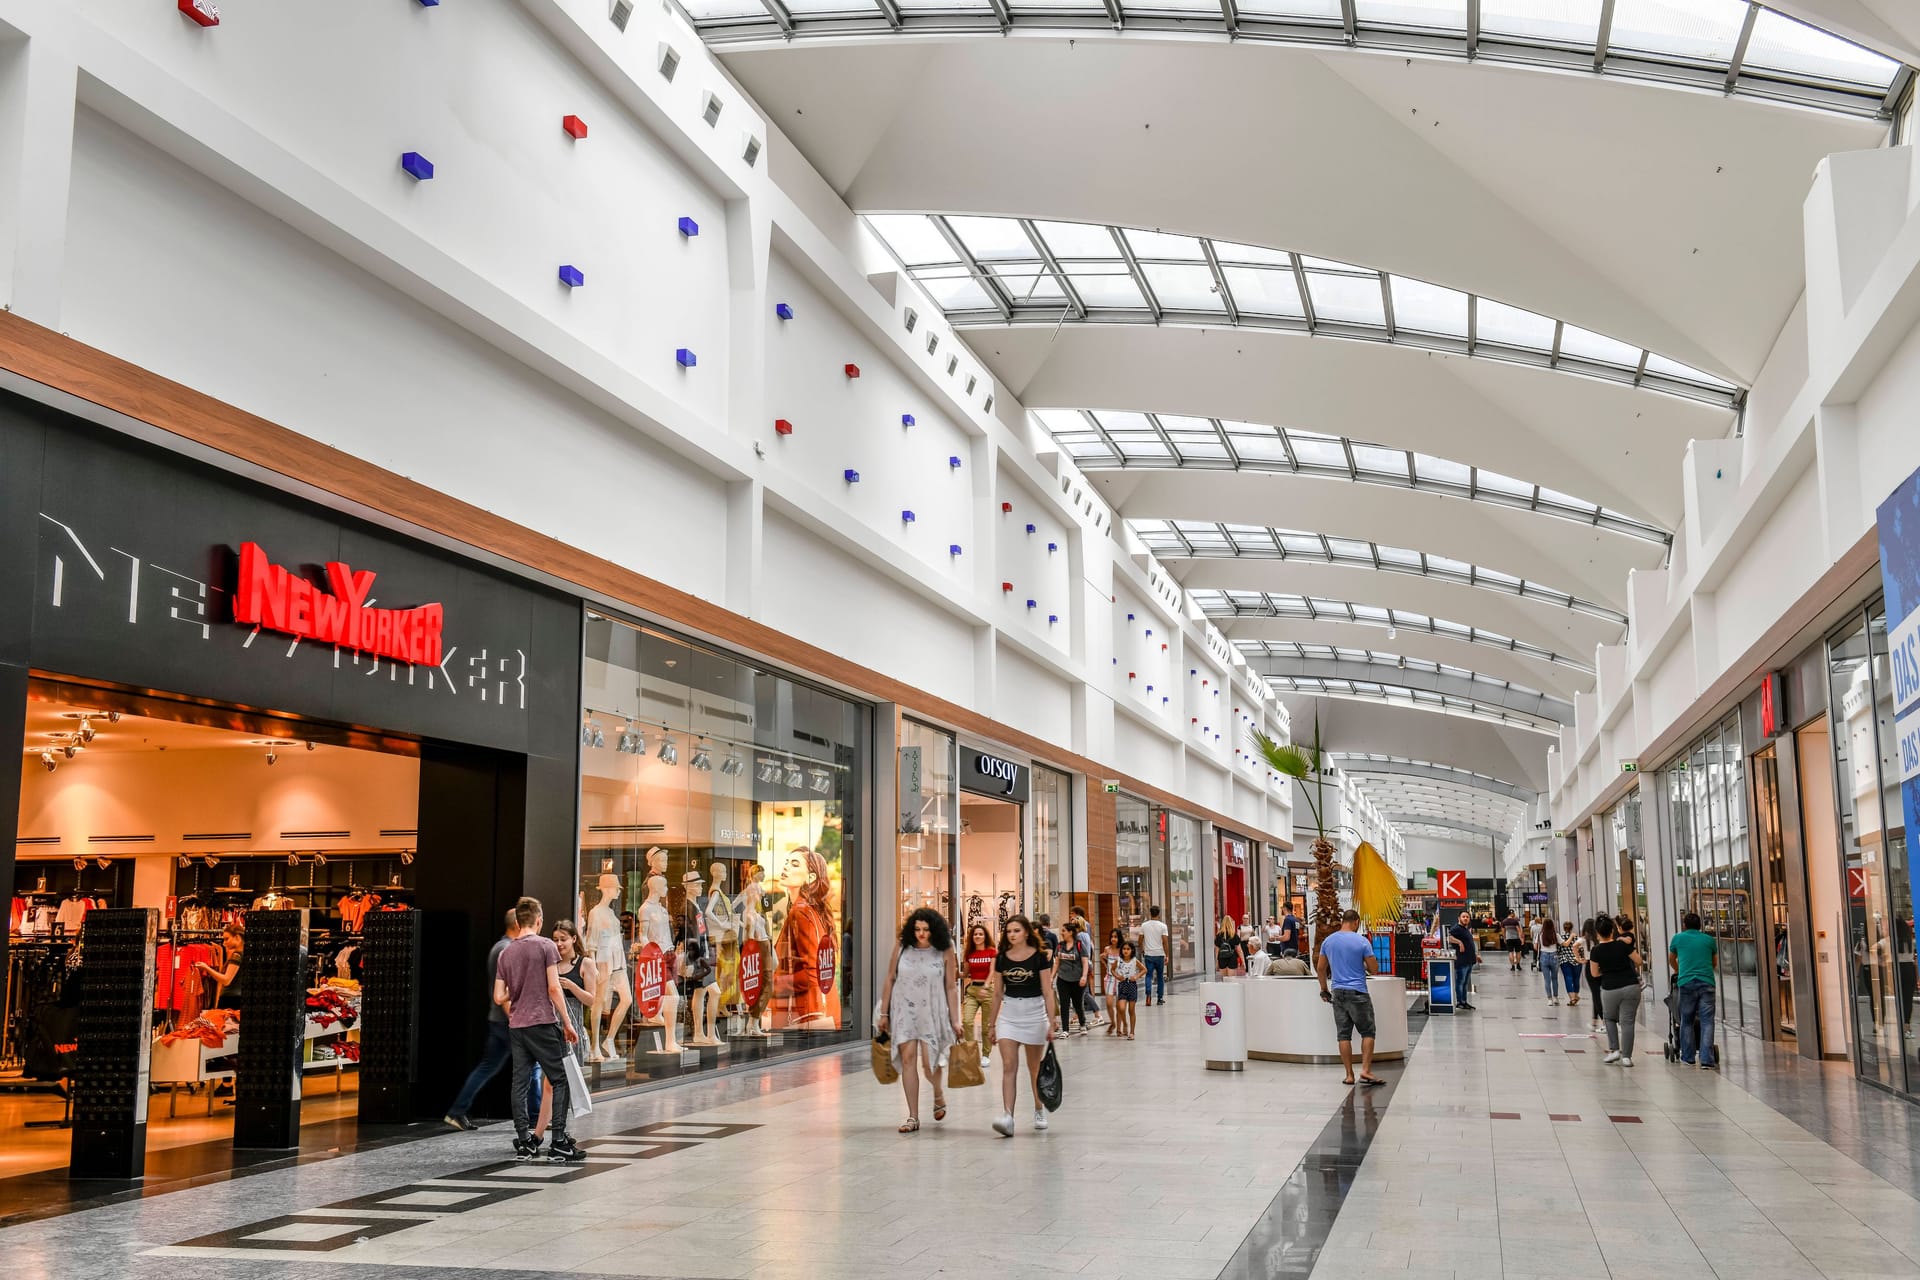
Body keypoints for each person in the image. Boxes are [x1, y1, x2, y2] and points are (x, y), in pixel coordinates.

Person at [494, 896, 582, 1161]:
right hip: (542, 1022)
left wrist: (516, 988)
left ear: (519, 921)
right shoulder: (546, 946)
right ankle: (558, 1143)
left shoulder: (505, 952)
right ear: (539, 920)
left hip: (517, 1025)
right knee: (560, 1079)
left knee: (518, 1084)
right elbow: (554, 988)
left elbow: (499, 997)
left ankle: (524, 1142)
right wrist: (567, 1023)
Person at [445, 907, 541, 1131]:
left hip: (500, 1021)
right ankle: (536, 1117)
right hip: (507, 1021)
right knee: (531, 1068)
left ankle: (457, 1111)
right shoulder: (506, 950)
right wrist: (516, 1019)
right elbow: (506, 991)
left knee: (490, 1067)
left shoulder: (503, 947)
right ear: (518, 925)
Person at [877, 907, 961, 1133]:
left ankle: (938, 1093)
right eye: (917, 929)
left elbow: (951, 987)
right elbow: (890, 977)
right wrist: (884, 1012)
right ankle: (913, 1116)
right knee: (908, 1060)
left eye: (926, 929)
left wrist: (955, 1020)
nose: (921, 934)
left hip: (932, 1012)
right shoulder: (902, 946)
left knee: (929, 1062)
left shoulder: (945, 949)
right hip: (904, 1009)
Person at [988, 915, 1057, 1137]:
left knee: (1034, 1067)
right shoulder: (1001, 959)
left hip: (1034, 1013)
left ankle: (1039, 1109)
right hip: (1009, 1015)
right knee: (1009, 1066)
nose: (1012, 935)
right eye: (1009, 931)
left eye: (1016, 931)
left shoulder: (1039, 958)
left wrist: (1052, 1020)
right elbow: (997, 993)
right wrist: (991, 1025)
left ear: (1026, 932)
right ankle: (1008, 1115)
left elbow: (1047, 991)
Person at [530, 920, 597, 1145]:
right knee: (552, 1082)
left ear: (574, 939)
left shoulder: (585, 963)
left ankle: (551, 1132)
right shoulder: (550, 962)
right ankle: (544, 1133)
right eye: (556, 940)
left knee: (563, 1082)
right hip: (550, 1026)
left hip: (573, 1027)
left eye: (563, 939)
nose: (559, 944)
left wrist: (571, 986)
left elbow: (591, 999)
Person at [1318, 910, 1384, 1087]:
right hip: (1358, 992)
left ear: (1342, 921)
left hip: (1337, 992)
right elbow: (1374, 969)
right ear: (1355, 922)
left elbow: (1321, 968)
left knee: (1343, 1035)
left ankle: (1349, 1075)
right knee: (1368, 1032)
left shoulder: (1328, 941)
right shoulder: (1362, 941)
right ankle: (1365, 1070)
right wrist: (1362, 963)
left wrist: (1324, 990)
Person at [1588, 915, 1643, 1067]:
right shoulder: (1622, 945)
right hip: (1631, 986)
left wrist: (1606, 972)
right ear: (1612, 931)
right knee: (1628, 1022)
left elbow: (1594, 974)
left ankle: (1615, 1050)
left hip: (1610, 988)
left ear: (1598, 934)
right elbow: (1639, 961)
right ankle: (1627, 1057)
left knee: (1610, 1018)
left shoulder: (1596, 951)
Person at [1669, 912, 1719, 1069]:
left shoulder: (1678, 938)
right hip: (1707, 983)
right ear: (1700, 925)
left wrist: (1679, 970)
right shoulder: (1709, 940)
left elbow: (1671, 958)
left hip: (1686, 983)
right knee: (1707, 1021)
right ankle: (1706, 1060)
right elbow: (1714, 963)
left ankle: (1688, 1057)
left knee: (1687, 1020)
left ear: (1684, 925)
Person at [959, 922, 998, 1064]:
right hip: (972, 990)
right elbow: (966, 974)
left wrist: (986, 986)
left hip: (988, 990)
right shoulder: (969, 953)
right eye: (975, 934)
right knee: (967, 1021)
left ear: (985, 936)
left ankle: (986, 1055)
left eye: (980, 934)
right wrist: (956, 973)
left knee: (986, 1025)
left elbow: (993, 971)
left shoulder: (991, 951)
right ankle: (971, 1052)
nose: (978, 936)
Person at [1055, 927, 1091, 1035]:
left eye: (1064, 931)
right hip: (1062, 979)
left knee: (1077, 1004)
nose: (1062, 933)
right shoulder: (1060, 946)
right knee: (1064, 1004)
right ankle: (1065, 1029)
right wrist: (1052, 976)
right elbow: (1057, 963)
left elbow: (1085, 962)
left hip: (1077, 980)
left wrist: (1084, 976)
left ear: (1070, 932)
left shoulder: (1079, 945)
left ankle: (1082, 1023)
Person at [1139, 905, 1169, 1006]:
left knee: (1148, 976)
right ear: (1159, 914)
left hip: (1149, 955)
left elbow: (1140, 940)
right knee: (1160, 977)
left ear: (1150, 913)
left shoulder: (1144, 925)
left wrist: (1142, 949)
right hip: (1159, 955)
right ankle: (1160, 998)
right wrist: (1167, 955)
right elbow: (1165, 942)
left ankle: (1148, 995)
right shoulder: (1163, 926)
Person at [1447, 913, 1478, 1010]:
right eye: (1463, 917)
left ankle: (1464, 1001)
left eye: (1467, 917)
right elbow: (1448, 938)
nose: (1465, 918)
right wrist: (1459, 942)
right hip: (1461, 961)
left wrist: (1476, 955)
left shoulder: (1465, 929)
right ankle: (1460, 1002)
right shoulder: (1456, 928)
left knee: (1465, 983)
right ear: (1459, 918)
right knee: (1460, 982)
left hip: (1469, 960)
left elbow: (1469, 943)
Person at [1111, 940, 1142, 1039]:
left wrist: (1137, 976)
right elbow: (1112, 969)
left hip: (1132, 985)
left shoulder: (1134, 960)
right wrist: (1117, 976)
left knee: (1131, 1010)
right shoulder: (1119, 960)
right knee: (1121, 1008)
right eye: (1124, 949)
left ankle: (1132, 1032)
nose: (1126, 951)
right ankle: (1124, 1023)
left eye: (1128, 949)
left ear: (1132, 950)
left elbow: (1144, 969)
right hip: (1122, 985)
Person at [1102, 928, 1124, 1037]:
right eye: (1112, 937)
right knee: (1109, 1003)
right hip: (1110, 978)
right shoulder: (1107, 949)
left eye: (1115, 937)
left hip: (1120, 979)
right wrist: (1106, 966)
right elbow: (1102, 957)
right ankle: (1113, 1022)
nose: (1113, 939)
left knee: (1119, 1005)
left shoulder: (1122, 950)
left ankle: (1119, 1028)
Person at [1582, 919, 1603, 1032]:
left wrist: (1580, 959)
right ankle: (1594, 1021)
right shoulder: (1598, 939)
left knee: (1596, 995)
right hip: (1601, 966)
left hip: (1590, 966)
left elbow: (1574, 946)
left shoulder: (1584, 940)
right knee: (1598, 994)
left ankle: (1604, 1022)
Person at [1559, 921, 1584, 1009]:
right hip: (1576, 960)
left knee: (1568, 978)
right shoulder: (1577, 938)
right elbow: (1581, 950)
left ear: (1564, 928)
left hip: (1565, 960)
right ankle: (1576, 996)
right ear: (1572, 928)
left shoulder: (1561, 938)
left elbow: (1559, 950)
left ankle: (1572, 998)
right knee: (1576, 979)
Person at [1539, 919, 1561, 1004]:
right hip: (1554, 956)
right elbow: (1564, 944)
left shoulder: (1541, 935)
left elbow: (1535, 946)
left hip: (1544, 956)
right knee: (1555, 978)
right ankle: (1556, 997)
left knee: (1547, 979)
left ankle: (1549, 999)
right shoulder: (1556, 935)